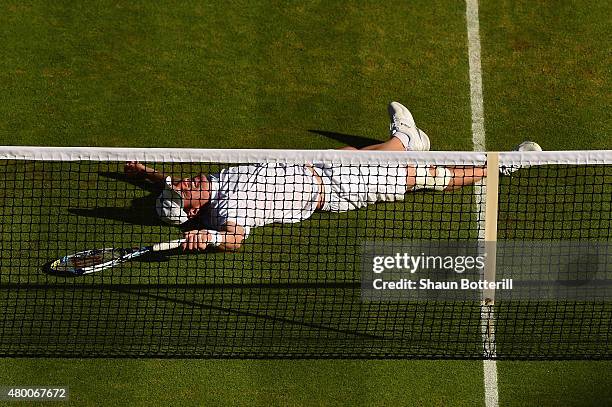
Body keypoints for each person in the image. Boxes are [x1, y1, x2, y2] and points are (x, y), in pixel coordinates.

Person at [125, 101, 540, 252]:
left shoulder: (209, 186)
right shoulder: (230, 211)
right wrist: (209, 239)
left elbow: (176, 192)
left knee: (355, 152)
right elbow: (234, 239)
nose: (185, 184)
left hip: (319, 165)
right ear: (195, 213)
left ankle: (408, 140)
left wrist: (150, 176)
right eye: (183, 193)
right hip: (337, 189)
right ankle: (504, 166)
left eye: (180, 185)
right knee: (427, 178)